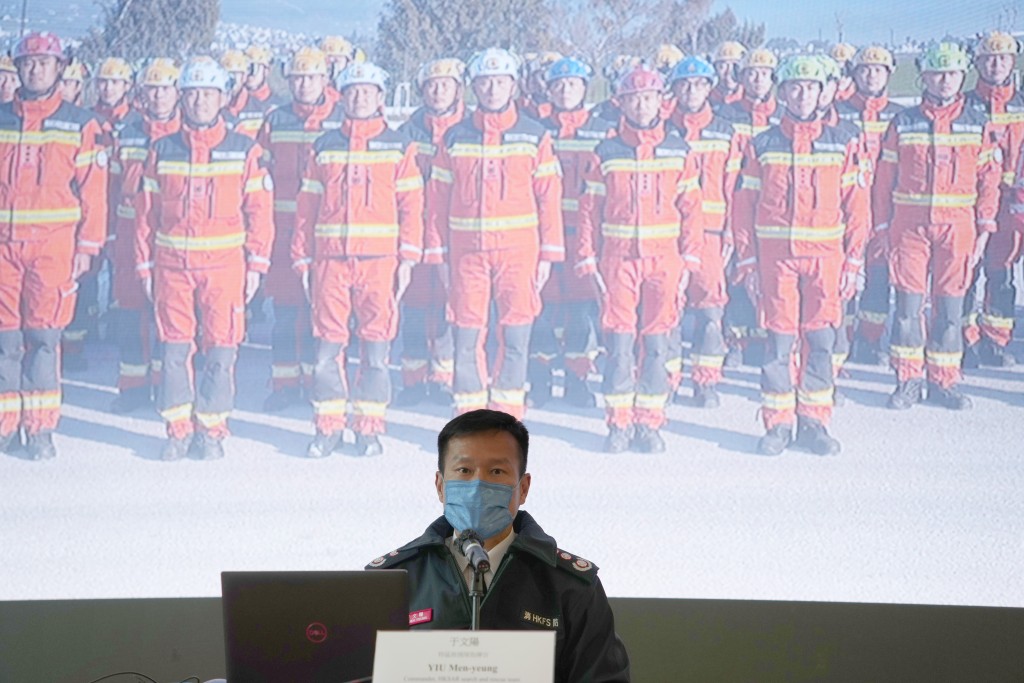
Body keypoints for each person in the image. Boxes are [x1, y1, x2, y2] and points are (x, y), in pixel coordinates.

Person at [366, 408, 631, 683]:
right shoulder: (392, 580)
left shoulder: (571, 586)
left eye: (496, 471)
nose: (478, 484)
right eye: (464, 470)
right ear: (440, 486)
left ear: (524, 488)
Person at [136, 56, 274, 460]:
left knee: (220, 351)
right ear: (182, 98)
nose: (199, 101)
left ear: (222, 98)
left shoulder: (244, 150)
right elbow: (145, 213)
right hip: (172, 269)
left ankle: (210, 430)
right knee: (175, 351)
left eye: (208, 94)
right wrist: (144, 264)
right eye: (192, 93)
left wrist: (257, 265)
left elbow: (260, 213)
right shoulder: (162, 149)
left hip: (225, 269)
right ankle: (177, 430)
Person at [732, 54, 869, 455]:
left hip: (826, 260)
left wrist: (854, 260)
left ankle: (814, 422)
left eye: (810, 86)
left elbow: (857, 206)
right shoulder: (762, 144)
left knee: (821, 341)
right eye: (794, 86)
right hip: (776, 262)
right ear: (783, 92)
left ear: (823, 90)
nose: (803, 93)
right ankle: (778, 424)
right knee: (778, 343)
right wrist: (747, 261)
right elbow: (743, 206)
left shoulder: (843, 142)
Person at [292, 61, 423, 458]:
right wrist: (302, 258)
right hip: (330, 263)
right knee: (328, 350)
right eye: (353, 91)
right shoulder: (324, 146)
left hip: (380, 264)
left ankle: (369, 428)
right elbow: (306, 207)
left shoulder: (400, 145)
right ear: (342, 97)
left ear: (381, 97)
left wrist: (408, 257)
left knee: (376, 350)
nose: (360, 96)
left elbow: (412, 206)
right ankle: (328, 427)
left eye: (368, 90)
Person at [425, 47, 564, 419]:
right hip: (467, 255)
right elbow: (436, 201)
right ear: (473, 87)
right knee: (467, 336)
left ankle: (505, 415)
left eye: (499, 82)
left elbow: (549, 199)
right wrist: (437, 253)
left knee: (516, 337)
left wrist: (549, 255)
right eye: (484, 82)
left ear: (513, 85)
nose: (491, 89)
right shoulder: (455, 137)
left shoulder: (535, 136)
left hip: (519, 255)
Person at [576, 65, 704, 453]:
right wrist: (587, 256)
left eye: (649, 97)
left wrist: (691, 258)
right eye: (633, 98)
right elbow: (588, 209)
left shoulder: (678, 150)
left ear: (662, 102)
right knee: (618, 343)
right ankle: (618, 424)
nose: (641, 104)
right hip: (618, 262)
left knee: (657, 344)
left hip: (665, 263)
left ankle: (649, 423)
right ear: (622, 103)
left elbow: (692, 209)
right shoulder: (606, 152)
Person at [873, 42, 1001, 411]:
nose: (944, 81)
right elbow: (884, 178)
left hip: (958, 230)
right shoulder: (903, 122)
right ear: (923, 77)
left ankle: (943, 381)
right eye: (936, 73)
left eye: (952, 74)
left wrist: (985, 227)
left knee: (949, 309)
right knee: (909, 308)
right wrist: (883, 226)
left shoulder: (978, 124)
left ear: (963, 76)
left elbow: (989, 179)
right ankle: (908, 380)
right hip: (909, 229)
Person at [0, 31, 108, 459]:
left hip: (54, 251)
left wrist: (87, 247)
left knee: (44, 339)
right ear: (17, 67)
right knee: (5, 340)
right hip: (4, 252)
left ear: (60, 68)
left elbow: (94, 193)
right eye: (28, 62)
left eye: (44, 62)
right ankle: (6, 423)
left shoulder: (80, 124)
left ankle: (41, 429)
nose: (35, 68)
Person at [258, 47, 345, 413]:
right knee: (285, 310)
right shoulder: (275, 120)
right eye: (297, 78)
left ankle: (317, 382)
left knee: (320, 314)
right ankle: (284, 384)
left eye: (311, 77)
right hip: (282, 232)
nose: (304, 84)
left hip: (324, 235)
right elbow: (258, 174)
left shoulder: (342, 118)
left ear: (325, 79)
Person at [529, 56, 612, 409]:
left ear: (585, 88)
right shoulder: (534, 129)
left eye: (573, 84)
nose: (565, 91)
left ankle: (579, 379)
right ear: (548, 89)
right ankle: (541, 378)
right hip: (542, 236)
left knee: (581, 311)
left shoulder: (603, 130)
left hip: (583, 235)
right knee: (541, 310)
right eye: (559, 84)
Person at [666, 55, 743, 409]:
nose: (691, 90)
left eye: (699, 84)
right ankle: (665, 380)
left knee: (711, 313)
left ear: (710, 87)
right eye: (684, 84)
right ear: (675, 88)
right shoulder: (663, 129)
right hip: (668, 235)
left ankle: (706, 382)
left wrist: (731, 234)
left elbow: (735, 189)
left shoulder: (726, 132)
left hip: (712, 235)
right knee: (666, 311)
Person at [107, 58, 182, 415]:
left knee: (172, 318)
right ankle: (134, 388)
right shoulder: (127, 131)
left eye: (165, 88)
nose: (158, 96)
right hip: (127, 237)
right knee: (130, 312)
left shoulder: (186, 133)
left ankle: (170, 388)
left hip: (169, 240)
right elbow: (110, 187)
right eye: (152, 89)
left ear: (177, 92)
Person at [394, 58, 468, 408]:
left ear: (458, 88)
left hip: (456, 234)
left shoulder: (469, 130)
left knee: (448, 307)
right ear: (422, 90)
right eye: (432, 85)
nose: (438, 91)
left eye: (446, 84)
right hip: (415, 231)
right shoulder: (407, 132)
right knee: (414, 304)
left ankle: (443, 377)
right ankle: (412, 378)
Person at [961, 31, 1024, 369]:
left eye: (1003, 58)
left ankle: (996, 341)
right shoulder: (964, 105)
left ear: (1013, 61)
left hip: (1011, 206)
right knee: (966, 273)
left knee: (1001, 275)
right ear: (977, 63)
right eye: (988, 58)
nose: (996, 64)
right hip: (969, 205)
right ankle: (964, 337)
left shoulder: (1022, 105)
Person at [840, 46, 905, 365]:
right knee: (844, 277)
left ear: (888, 74)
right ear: (854, 73)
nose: (870, 75)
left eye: (877, 69)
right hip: (846, 212)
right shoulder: (836, 112)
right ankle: (844, 340)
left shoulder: (899, 116)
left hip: (884, 212)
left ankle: (870, 339)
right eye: (864, 69)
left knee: (878, 278)